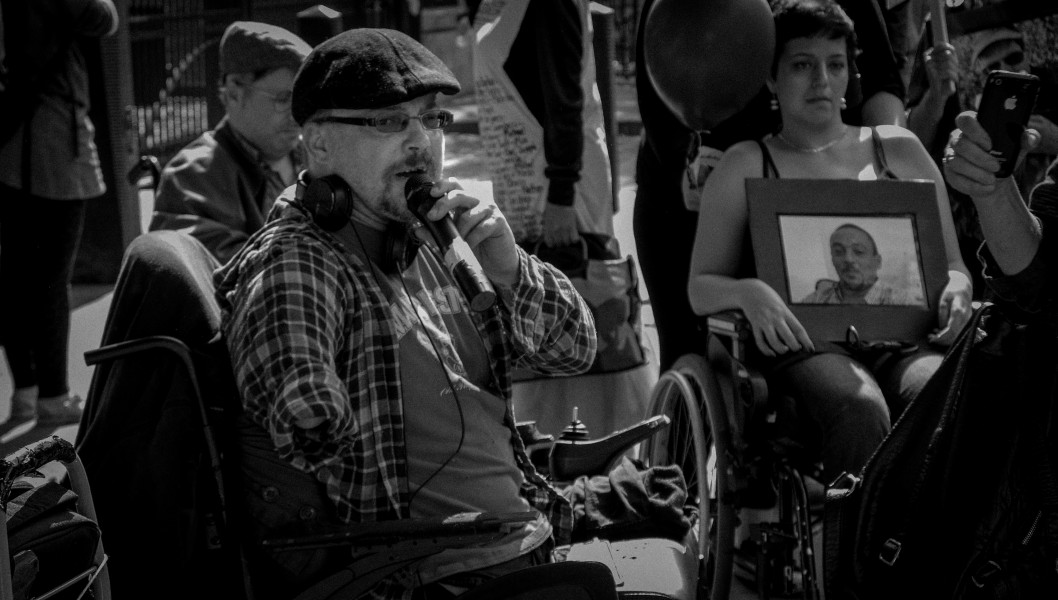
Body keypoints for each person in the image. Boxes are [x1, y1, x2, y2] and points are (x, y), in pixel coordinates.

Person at [214, 28, 597, 599]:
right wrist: (309, 390)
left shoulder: (433, 237)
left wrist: (511, 267)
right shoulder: (300, 259)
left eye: (431, 119)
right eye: (389, 122)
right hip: (428, 575)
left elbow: (575, 350)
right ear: (318, 145)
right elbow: (302, 408)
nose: (421, 142)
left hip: (530, 532)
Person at [687, 0, 973, 482]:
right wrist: (749, 292)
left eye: (835, 65)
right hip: (807, 346)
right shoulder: (745, 163)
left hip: (905, 342)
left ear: (850, 74)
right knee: (858, 405)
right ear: (772, 79)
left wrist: (959, 290)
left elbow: (954, 267)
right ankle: (857, 554)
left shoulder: (899, 151)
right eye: (802, 65)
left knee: (938, 396)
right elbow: (700, 287)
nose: (821, 79)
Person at [633, 0, 908, 374]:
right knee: (687, 353)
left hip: (813, 195)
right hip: (692, 194)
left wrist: (887, 162)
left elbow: (882, 81)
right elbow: (659, 80)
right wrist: (688, 164)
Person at [0, 0, 118, 425]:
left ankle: (27, 393)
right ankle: (54, 395)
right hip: (50, 140)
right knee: (51, 278)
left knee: (14, 275)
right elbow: (103, 16)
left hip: (13, 142)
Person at [148, 21, 311, 264]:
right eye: (284, 98)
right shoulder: (192, 176)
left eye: (302, 99)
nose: (297, 113)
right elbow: (220, 277)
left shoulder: (316, 155)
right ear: (235, 91)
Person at [469, 0, 615, 250]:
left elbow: (565, 102)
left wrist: (561, 195)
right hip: (524, 197)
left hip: (559, 197)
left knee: (583, 284)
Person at [800, 223, 916, 305]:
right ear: (832, 260)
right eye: (838, 252)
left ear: (877, 262)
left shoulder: (901, 301)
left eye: (859, 251)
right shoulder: (816, 300)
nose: (848, 259)